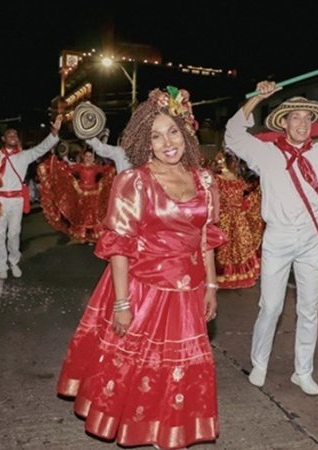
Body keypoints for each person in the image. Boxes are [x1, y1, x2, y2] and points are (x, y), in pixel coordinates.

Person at [57, 87, 226, 449]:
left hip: (189, 293)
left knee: (180, 368)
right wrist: (122, 303)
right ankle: (139, 429)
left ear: (186, 133)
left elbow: (206, 238)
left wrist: (211, 286)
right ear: (145, 142)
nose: (167, 143)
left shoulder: (205, 180)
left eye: (173, 132)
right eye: (156, 136)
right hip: (145, 291)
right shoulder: (134, 181)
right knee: (139, 368)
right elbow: (119, 246)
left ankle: (170, 431)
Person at [224, 59, 318, 395]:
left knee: (309, 309)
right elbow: (233, 135)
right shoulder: (266, 153)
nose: (303, 123)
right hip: (278, 238)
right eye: (296, 117)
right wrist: (257, 98)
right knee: (271, 307)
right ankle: (260, 363)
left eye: (308, 118)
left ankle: (303, 371)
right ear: (284, 123)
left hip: (310, 238)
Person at [0, 116, 62, 279]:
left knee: (14, 233)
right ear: (3, 139)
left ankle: (14, 261)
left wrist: (54, 133)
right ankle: (1, 266)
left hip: (16, 201)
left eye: (15, 135)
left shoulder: (24, 156)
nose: (13, 136)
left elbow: (42, 148)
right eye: (10, 134)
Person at [38, 147, 114, 243]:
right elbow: (67, 169)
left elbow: (107, 170)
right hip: (81, 194)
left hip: (94, 194)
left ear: (93, 158)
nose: (88, 158)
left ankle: (95, 233)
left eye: (90, 156)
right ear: (83, 157)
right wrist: (60, 164)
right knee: (83, 214)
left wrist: (112, 165)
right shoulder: (79, 166)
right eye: (86, 156)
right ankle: (82, 233)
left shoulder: (97, 167)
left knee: (94, 214)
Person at [214, 150, 264, 288]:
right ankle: (223, 274)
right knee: (224, 247)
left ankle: (235, 274)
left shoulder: (237, 180)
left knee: (239, 245)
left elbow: (249, 197)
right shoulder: (217, 180)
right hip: (225, 219)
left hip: (234, 219)